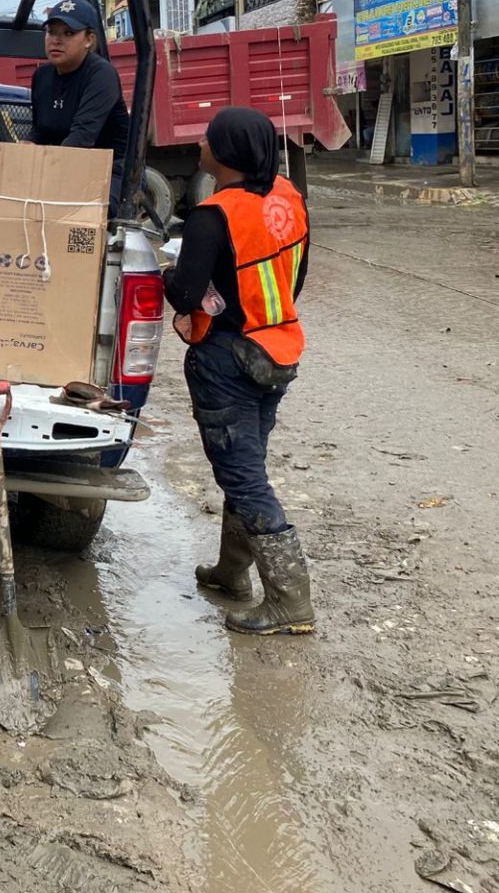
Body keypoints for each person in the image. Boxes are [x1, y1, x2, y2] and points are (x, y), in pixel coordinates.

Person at [165, 107, 312, 636]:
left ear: (225, 153)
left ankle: (290, 602)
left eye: (208, 139)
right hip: (276, 351)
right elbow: (295, 278)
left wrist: (168, 274)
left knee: (244, 477)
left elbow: (185, 294)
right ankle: (231, 572)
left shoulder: (212, 216)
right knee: (246, 463)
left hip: (225, 358)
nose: (200, 145)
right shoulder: (289, 199)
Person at [27, 0, 130, 215]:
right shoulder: (42, 76)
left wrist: (45, 175)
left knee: (75, 212)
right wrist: (22, 151)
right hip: (64, 168)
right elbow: (39, 131)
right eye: (51, 32)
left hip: (110, 172)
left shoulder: (101, 74)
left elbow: (81, 138)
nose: (56, 40)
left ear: (89, 40)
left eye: (68, 33)